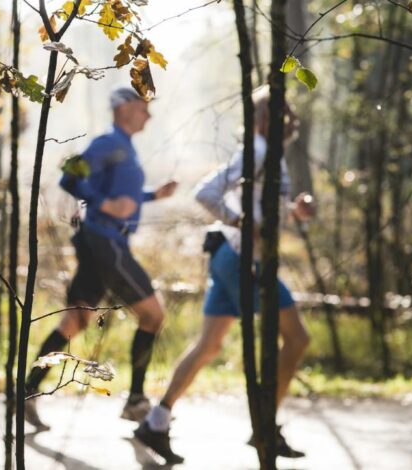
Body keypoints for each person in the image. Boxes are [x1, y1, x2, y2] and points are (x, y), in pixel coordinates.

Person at [134, 91, 313, 464]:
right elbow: (206, 192)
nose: (293, 120)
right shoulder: (258, 153)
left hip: (230, 256)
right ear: (268, 118)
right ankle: (265, 424)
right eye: (286, 114)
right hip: (241, 259)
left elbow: (260, 209)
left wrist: (292, 212)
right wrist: (239, 224)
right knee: (296, 338)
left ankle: (156, 421)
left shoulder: (268, 154)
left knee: (209, 346)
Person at [24, 87, 178, 431]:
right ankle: (136, 400)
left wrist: (153, 195)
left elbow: (121, 195)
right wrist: (103, 205)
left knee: (74, 322)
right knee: (153, 316)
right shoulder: (108, 143)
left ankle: (26, 393)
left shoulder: (124, 148)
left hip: (98, 243)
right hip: (107, 242)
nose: (148, 116)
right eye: (143, 109)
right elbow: (69, 176)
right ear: (124, 108)